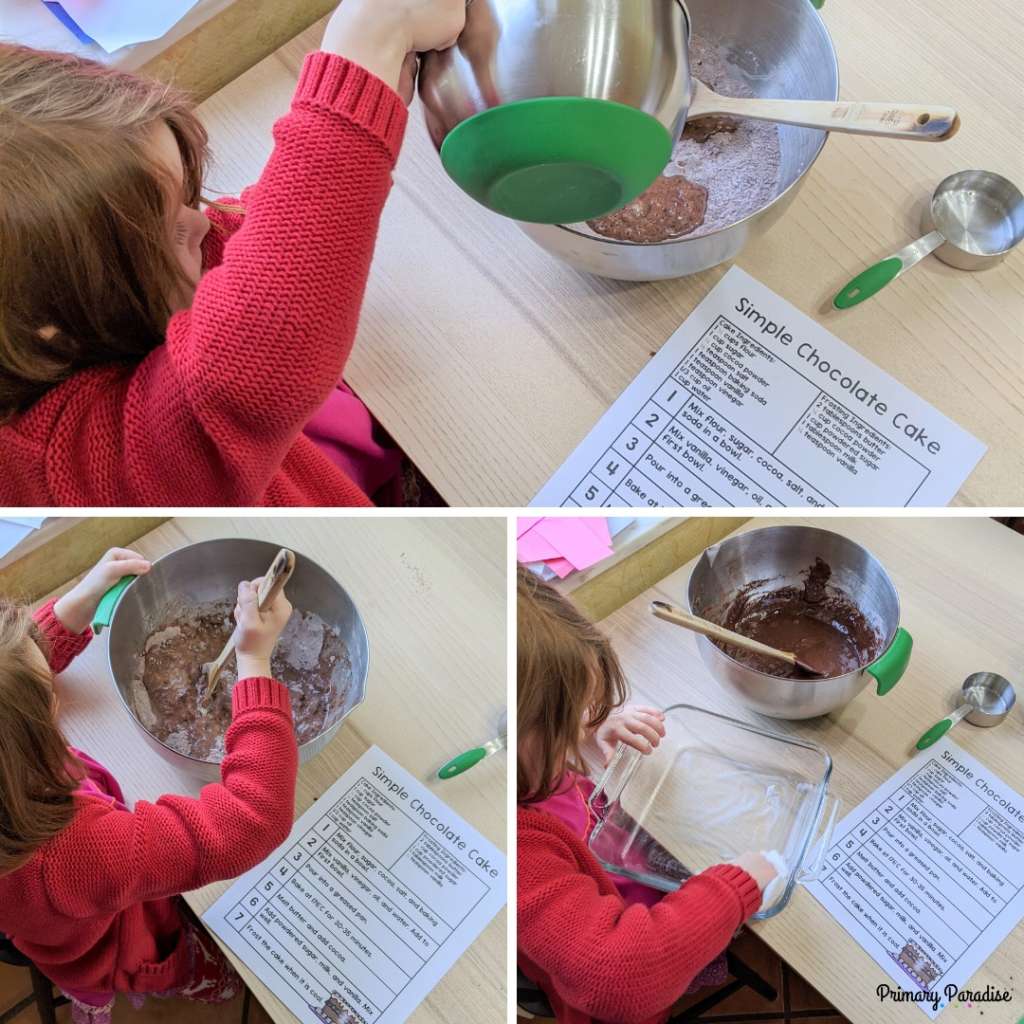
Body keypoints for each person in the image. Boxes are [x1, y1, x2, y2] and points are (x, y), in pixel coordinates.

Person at [0, 0, 464, 506]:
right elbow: (245, 373)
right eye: (174, 232)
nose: (203, 220)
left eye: (187, 199)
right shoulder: (46, 471)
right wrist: (367, 47)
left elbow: (247, 236)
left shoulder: (67, 295)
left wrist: (366, 102)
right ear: (46, 327)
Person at [0, 549, 299, 1023]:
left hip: (36, 926)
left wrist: (79, 602)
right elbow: (253, 821)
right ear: (30, 734)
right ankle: (140, 993)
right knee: (154, 965)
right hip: (104, 945)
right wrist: (254, 661)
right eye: (49, 694)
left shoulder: (9, 771)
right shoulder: (76, 854)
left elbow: (10, 681)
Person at [517, 567, 778, 1023]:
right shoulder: (519, 854)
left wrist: (591, 730)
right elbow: (621, 977)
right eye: (563, 723)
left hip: (622, 869)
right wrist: (735, 889)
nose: (578, 727)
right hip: (637, 955)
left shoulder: (522, 766)